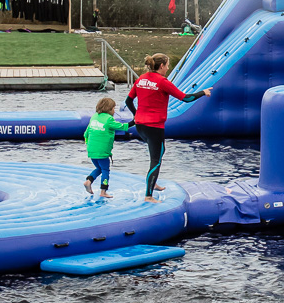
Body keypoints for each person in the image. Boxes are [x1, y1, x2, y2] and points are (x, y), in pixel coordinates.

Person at [123, 53, 210, 203]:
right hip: (154, 126)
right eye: (167, 65)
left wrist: (136, 115)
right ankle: (148, 195)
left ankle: (153, 181)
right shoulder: (162, 82)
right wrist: (203, 92)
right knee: (155, 160)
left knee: (161, 150)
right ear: (161, 66)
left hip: (141, 126)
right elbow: (186, 98)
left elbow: (128, 101)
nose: (168, 68)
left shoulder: (141, 79)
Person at [84, 95, 133, 198]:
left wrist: (89, 145)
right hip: (102, 152)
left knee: (99, 168)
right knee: (105, 170)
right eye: (113, 108)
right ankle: (103, 191)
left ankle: (88, 181)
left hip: (91, 151)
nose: (114, 111)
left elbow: (86, 134)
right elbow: (123, 127)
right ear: (109, 109)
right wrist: (135, 121)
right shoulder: (109, 120)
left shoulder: (94, 117)